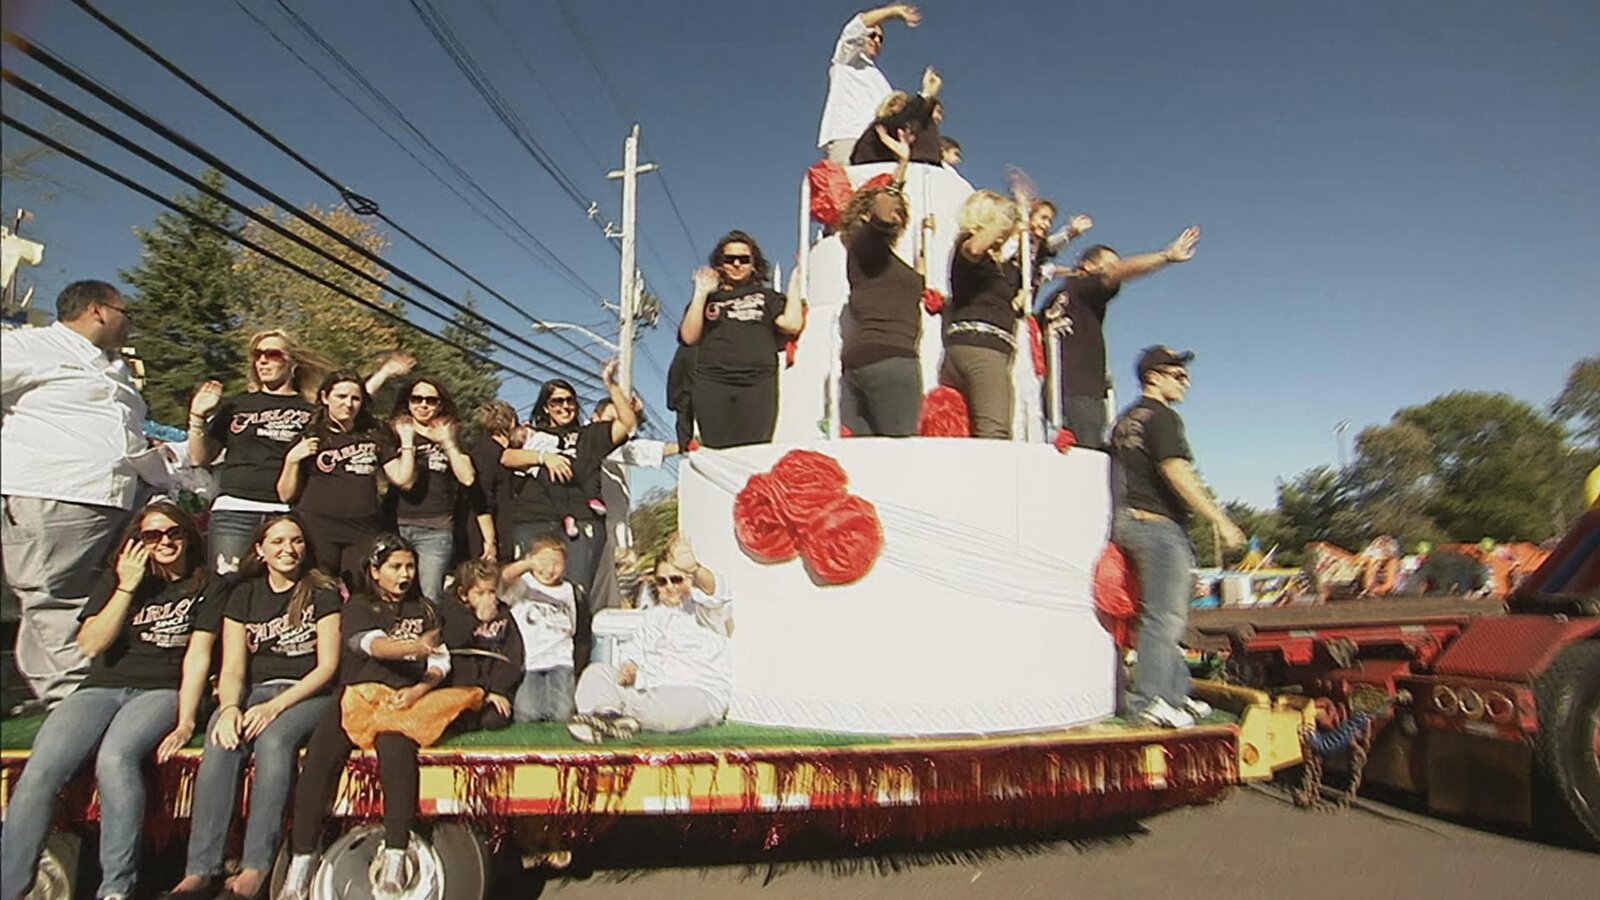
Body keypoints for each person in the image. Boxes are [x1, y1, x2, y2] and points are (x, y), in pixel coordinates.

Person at [1, 502, 224, 900]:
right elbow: (91, 644)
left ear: (189, 536)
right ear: (138, 542)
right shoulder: (119, 578)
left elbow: (198, 657)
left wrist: (187, 720)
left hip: (161, 688)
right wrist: (126, 586)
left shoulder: (209, 585)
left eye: (173, 532)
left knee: (116, 758)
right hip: (102, 686)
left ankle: (116, 888)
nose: (164, 542)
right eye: (152, 535)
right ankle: (11, 885)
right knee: (42, 770)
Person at [280, 535, 478, 900]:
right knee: (319, 761)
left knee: (397, 753)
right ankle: (302, 860)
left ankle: (395, 854)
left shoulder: (426, 609)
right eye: (395, 567)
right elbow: (370, 644)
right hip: (356, 699)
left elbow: (440, 661)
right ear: (374, 571)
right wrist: (413, 646)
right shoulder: (358, 607)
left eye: (410, 566)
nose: (405, 575)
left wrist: (419, 689)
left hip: (401, 703)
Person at [167, 514, 342, 900]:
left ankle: (257, 865)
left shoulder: (322, 593)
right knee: (222, 739)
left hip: (307, 695)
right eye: (278, 542)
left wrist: (274, 708)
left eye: (296, 541)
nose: (288, 549)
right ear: (260, 550)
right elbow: (232, 667)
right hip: (254, 691)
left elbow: (327, 667)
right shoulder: (244, 595)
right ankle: (200, 868)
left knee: (274, 741)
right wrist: (230, 707)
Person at [1, 280, 154, 708]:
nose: (129, 323)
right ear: (97, 310)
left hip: (117, 498)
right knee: (54, 598)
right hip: (52, 492)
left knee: (107, 595)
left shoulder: (115, 366)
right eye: (126, 313)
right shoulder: (30, 347)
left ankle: (107, 688)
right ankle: (70, 702)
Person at [188, 342, 413, 572]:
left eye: (272, 353)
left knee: (285, 584)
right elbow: (199, 458)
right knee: (227, 580)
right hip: (236, 509)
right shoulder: (237, 405)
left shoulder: (310, 410)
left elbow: (348, 404)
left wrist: (384, 373)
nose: (263, 360)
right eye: (257, 354)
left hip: (287, 511)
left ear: (291, 361)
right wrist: (197, 416)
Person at [1109, 347, 1244, 728]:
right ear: (1153, 377)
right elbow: (1176, 471)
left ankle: (1174, 695)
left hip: (1129, 521)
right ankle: (1149, 701)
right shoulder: (1162, 417)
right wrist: (1221, 521)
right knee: (1164, 618)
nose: (1186, 381)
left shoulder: (1125, 420)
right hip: (1157, 526)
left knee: (1164, 616)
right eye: (1178, 374)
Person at [1035, 227, 1200, 448]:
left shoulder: (1055, 299)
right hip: (1082, 396)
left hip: (1053, 396)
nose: (1116, 269)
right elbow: (1114, 273)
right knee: (1089, 460)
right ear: (1088, 266)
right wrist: (1167, 256)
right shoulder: (1083, 287)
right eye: (1110, 264)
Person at [567, 534, 733, 744]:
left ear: (689, 580)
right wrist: (630, 668)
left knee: (666, 710)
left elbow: (716, 593)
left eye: (676, 579)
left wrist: (695, 569)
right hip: (651, 692)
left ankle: (610, 718)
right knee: (597, 672)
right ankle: (608, 717)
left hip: (699, 694)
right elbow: (634, 653)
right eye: (662, 581)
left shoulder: (704, 611)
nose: (670, 586)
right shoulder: (653, 617)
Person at [499, 361, 637, 597]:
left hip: (582, 521)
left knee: (575, 592)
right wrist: (544, 458)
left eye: (569, 400)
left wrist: (610, 383)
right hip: (534, 519)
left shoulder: (590, 434)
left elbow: (628, 424)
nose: (564, 406)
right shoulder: (533, 434)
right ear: (546, 407)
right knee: (528, 592)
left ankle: (577, 623)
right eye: (557, 401)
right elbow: (507, 457)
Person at [277, 371, 415, 589]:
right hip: (317, 527)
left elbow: (402, 479)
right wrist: (292, 459)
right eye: (341, 396)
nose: (348, 404)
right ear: (325, 397)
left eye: (355, 398)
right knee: (319, 590)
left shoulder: (374, 434)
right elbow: (285, 495)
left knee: (360, 590)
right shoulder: (311, 434)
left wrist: (407, 442)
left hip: (363, 528)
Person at [679, 232, 804, 449]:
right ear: (720, 264)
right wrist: (700, 292)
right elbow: (689, 337)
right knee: (718, 451)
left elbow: (792, 324)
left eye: (744, 259)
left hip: (758, 383)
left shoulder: (766, 296)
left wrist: (796, 277)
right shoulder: (708, 300)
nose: (737, 264)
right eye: (730, 259)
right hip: (714, 382)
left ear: (754, 264)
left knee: (754, 451)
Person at [840, 127, 924, 436]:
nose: (897, 218)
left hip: (869, 359)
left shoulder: (877, 258)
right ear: (865, 216)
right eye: (895, 213)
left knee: (869, 451)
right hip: (889, 357)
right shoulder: (863, 243)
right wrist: (901, 165)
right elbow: (884, 208)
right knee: (899, 447)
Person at [941, 190, 1024, 439]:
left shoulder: (993, 267)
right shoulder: (968, 245)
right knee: (994, 431)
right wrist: (1007, 215)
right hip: (982, 348)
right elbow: (975, 248)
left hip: (976, 345)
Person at [388, 376, 479, 602]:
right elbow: (401, 479)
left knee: (430, 596)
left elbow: (467, 478)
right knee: (394, 592)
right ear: (408, 401)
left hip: (436, 530)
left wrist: (447, 443)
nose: (423, 405)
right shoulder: (395, 432)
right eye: (416, 399)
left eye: (430, 400)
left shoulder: (449, 435)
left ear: (440, 405)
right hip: (397, 524)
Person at [817, 4, 923, 164]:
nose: (877, 41)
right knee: (847, 180)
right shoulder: (847, 59)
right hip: (850, 137)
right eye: (872, 35)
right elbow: (856, 26)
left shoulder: (881, 81)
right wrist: (893, 11)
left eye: (881, 38)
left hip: (878, 144)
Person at [500, 535, 580, 722]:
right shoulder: (523, 583)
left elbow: (573, 625)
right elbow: (504, 577)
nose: (550, 569)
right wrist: (529, 564)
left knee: (562, 714)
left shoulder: (568, 590)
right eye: (544, 562)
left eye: (557, 564)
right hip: (531, 661)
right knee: (527, 714)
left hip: (561, 660)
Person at [441, 558, 523, 731]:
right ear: (463, 593)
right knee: (460, 721)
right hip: (462, 686)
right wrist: (477, 619)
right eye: (480, 593)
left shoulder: (502, 614)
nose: (488, 598)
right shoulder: (451, 612)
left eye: (491, 592)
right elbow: (455, 642)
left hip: (493, 686)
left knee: (494, 720)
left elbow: (513, 653)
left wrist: (498, 690)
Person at [460, 400, 522, 564]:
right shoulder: (487, 452)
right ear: (512, 422)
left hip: (498, 533)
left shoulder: (485, 450)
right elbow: (483, 498)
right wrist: (490, 541)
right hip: (488, 536)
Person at [848, 67, 944, 165]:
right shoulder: (881, 126)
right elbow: (906, 117)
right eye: (901, 104)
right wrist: (926, 94)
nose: (904, 107)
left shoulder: (897, 131)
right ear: (890, 105)